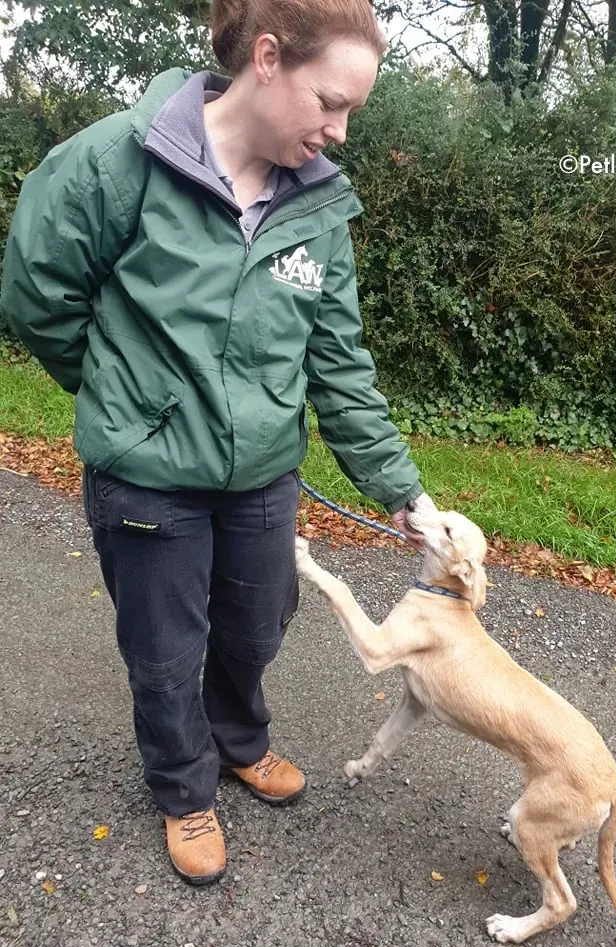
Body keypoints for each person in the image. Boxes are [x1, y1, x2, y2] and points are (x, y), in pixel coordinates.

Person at [0, 0, 432, 886]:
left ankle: (239, 741)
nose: (339, 130)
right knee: (163, 651)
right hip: (147, 476)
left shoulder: (316, 205)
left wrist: (401, 489)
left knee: (257, 622)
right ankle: (182, 785)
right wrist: (125, 390)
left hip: (263, 475)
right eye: (330, 102)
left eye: (352, 112)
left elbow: (339, 362)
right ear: (267, 58)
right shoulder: (118, 161)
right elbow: (38, 295)